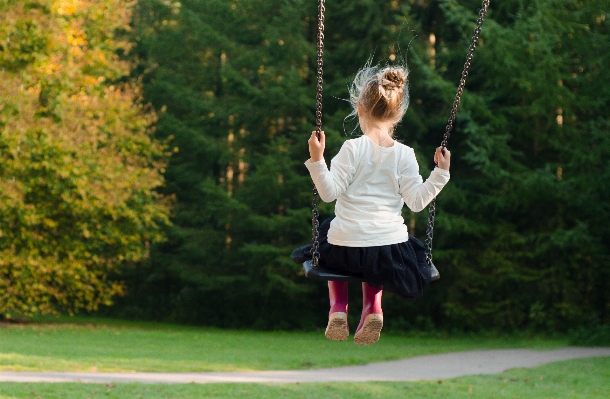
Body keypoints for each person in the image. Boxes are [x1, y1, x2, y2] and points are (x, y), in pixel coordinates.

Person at [293, 64, 451, 345]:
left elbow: (328, 194)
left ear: (359, 108)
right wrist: (440, 174)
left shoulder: (351, 149)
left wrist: (317, 159)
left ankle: (338, 308)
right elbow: (416, 202)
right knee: (377, 252)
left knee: (330, 234)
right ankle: (373, 308)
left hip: (345, 248)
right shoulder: (405, 154)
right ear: (399, 114)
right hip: (388, 250)